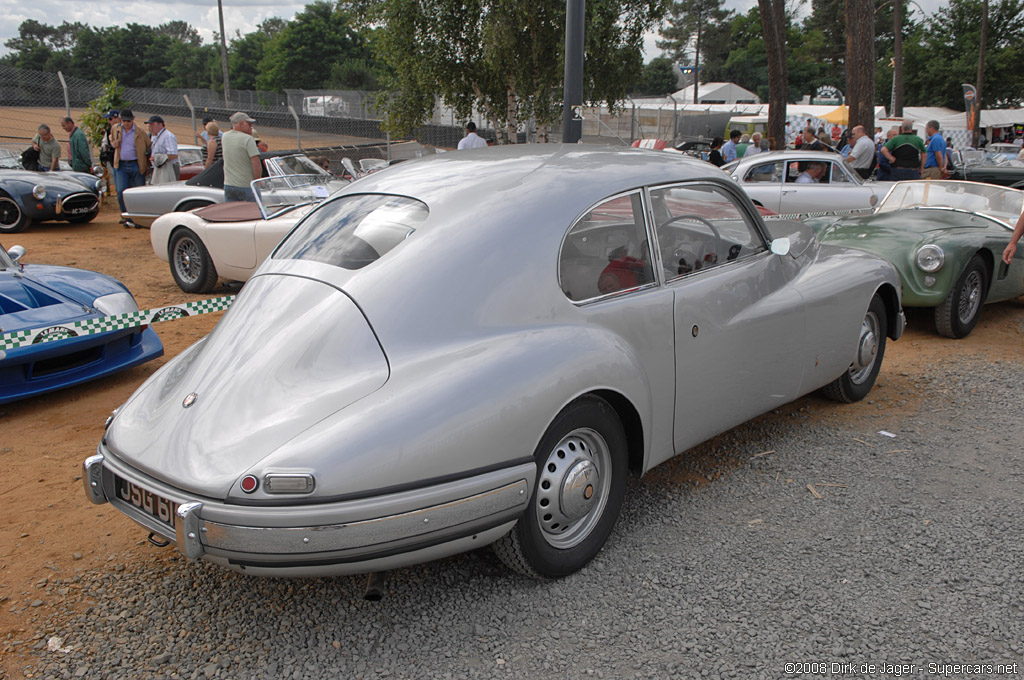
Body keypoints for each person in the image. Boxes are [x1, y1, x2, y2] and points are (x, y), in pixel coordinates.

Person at [109, 108, 151, 212]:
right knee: (120, 191)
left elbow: (148, 145)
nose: (126, 123)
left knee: (138, 192)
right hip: (121, 165)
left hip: (136, 164)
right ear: (120, 120)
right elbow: (111, 138)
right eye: (124, 121)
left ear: (133, 119)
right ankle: (125, 214)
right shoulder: (116, 129)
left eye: (129, 121)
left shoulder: (140, 131)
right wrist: (113, 144)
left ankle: (138, 214)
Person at [221, 111, 262, 202]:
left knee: (233, 213)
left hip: (229, 184)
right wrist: (257, 180)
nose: (251, 126)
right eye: (248, 124)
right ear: (240, 124)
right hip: (246, 185)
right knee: (255, 212)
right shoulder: (248, 139)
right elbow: (256, 162)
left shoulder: (225, 136)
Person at [147, 115, 178, 184]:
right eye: (149, 125)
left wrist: (157, 158)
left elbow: (174, 155)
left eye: (152, 125)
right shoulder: (155, 136)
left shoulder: (168, 136)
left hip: (168, 168)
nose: (150, 127)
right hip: (158, 168)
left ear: (160, 125)